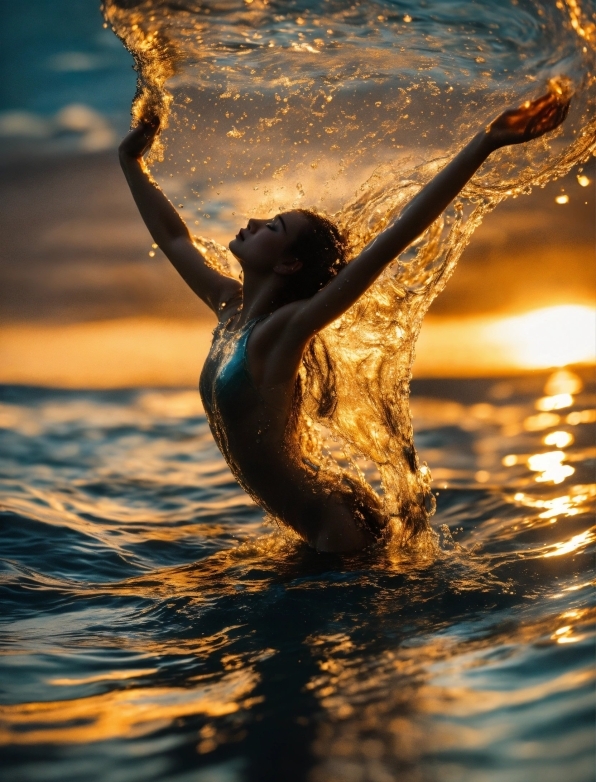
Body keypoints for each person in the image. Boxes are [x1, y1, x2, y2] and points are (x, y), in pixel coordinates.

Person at [119, 90, 569, 553]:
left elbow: (394, 239)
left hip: (335, 525)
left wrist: (487, 142)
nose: (253, 221)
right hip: (316, 523)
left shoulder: (283, 330)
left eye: (272, 228)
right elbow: (174, 239)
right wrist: (131, 162)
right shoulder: (228, 307)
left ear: (289, 265)